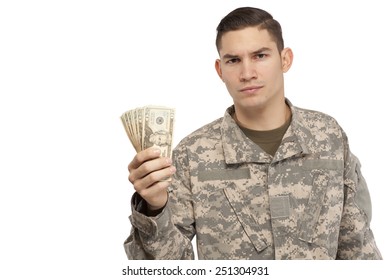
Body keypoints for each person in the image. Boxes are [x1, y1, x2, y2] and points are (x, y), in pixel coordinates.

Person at [123, 7, 382, 260]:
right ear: (220, 70)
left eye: (260, 56)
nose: (247, 73)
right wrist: (155, 207)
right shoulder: (193, 154)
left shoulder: (328, 137)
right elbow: (168, 269)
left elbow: (357, 248)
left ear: (285, 59)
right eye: (234, 60)